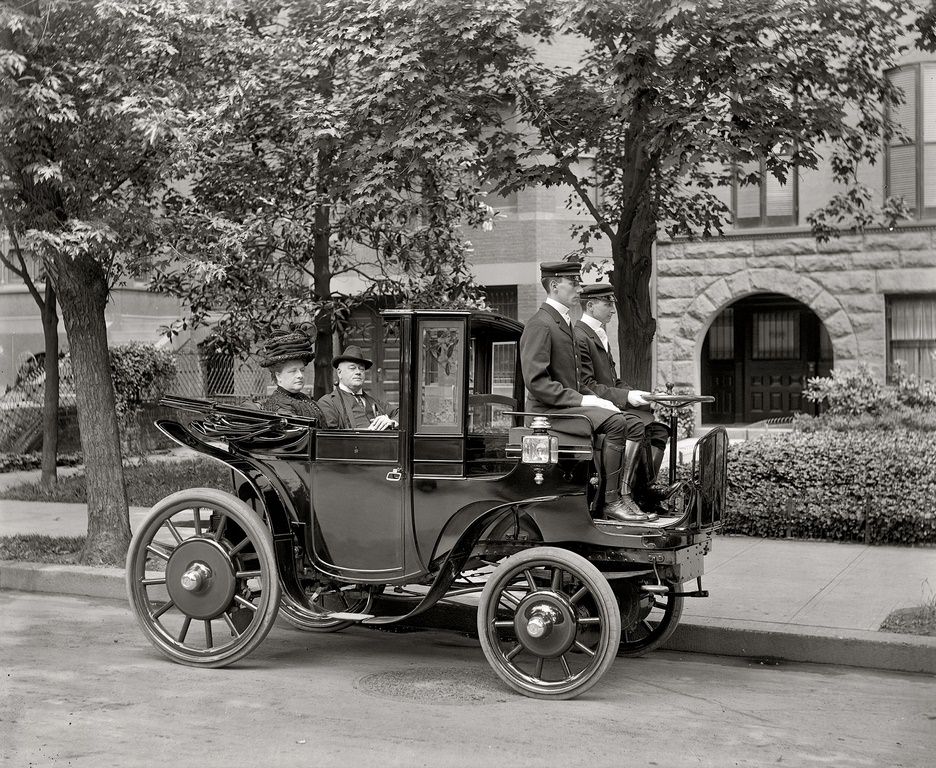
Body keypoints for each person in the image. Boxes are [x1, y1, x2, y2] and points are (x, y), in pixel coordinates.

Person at [519, 261, 657, 523]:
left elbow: (574, 380)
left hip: (564, 407)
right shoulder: (541, 323)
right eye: (573, 282)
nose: (579, 288)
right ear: (554, 285)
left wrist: (597, 398)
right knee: (616, 423)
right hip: (546, 413)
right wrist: (584, 399)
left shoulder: (562, 322)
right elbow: (537, 382)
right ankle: (611, 501)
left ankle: (626, 496)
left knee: (633, 423)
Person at [574, 283, 676, 509]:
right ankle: (622, 495)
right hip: (596, 410)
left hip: (608, 404)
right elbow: (588, 385)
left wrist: (640, 394)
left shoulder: (599, 335)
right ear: (590, 306)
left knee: (659, 431)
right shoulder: (580, 336)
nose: (612, 309)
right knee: (636, 426)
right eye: (607, 303)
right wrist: (627, 398)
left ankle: (646, 491)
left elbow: (613, 380)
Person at [317, 345, 399, 431]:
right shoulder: (328, 403)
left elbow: (402, 414)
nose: (358, 372)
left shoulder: (375, 402)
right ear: (339, 373)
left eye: (361, 369)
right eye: (352, 368)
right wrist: (367, 433)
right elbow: (330, 437)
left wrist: (392, 422)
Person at [258, 327, 325, 422]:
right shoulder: (280, 405)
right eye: (293, 371)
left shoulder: (303, 398)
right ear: (278, 376)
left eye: (302, 370)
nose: (300, 375)